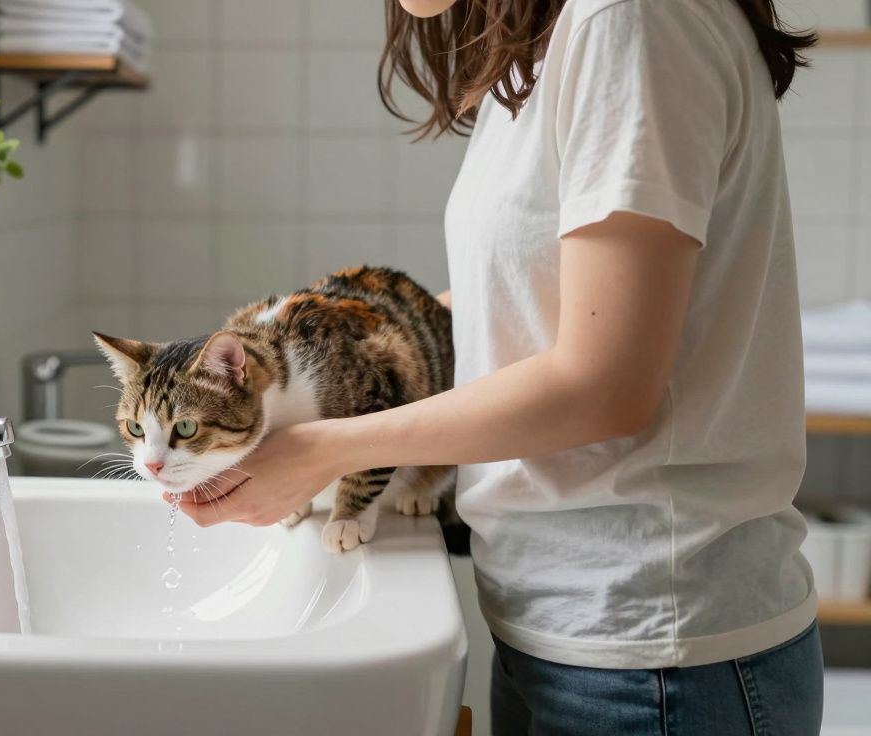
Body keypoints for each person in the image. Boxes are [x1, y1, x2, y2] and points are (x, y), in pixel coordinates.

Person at [172, 0, 824, 732]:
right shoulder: (551, 43)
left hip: (654, 653)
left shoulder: (630, 20)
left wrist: (324, 450)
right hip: (569, 631)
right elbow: (524, 304)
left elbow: (604, 386)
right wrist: (326, 349)